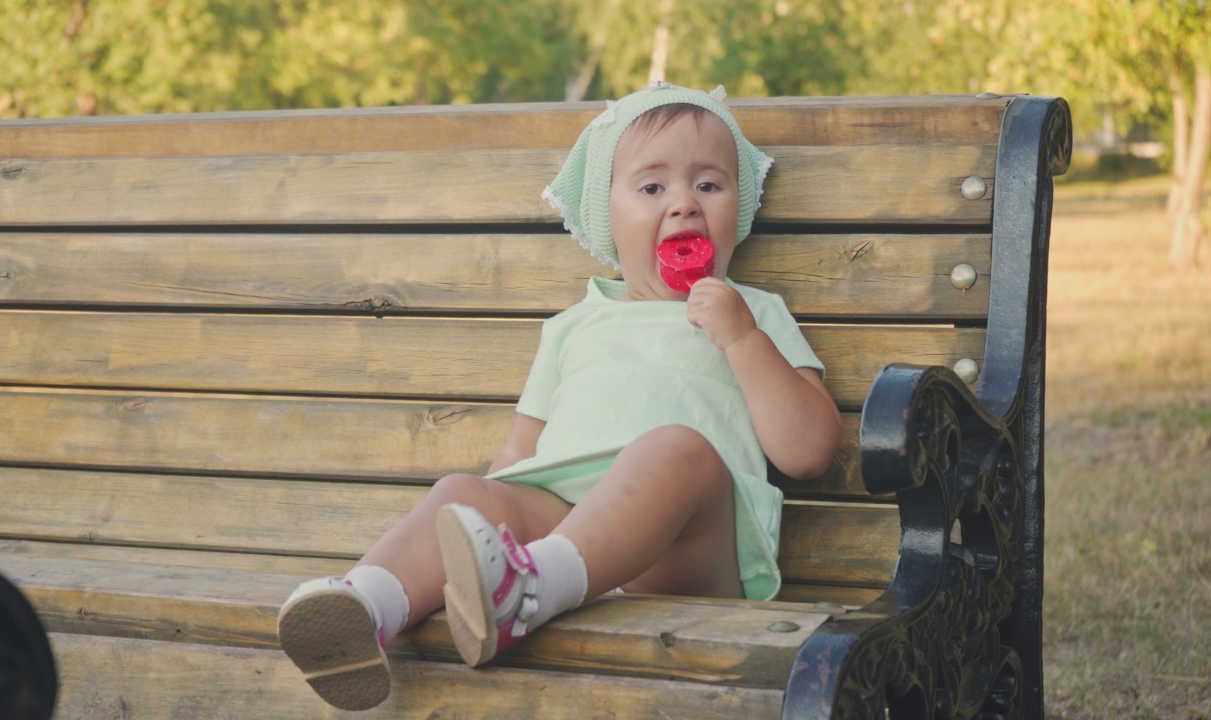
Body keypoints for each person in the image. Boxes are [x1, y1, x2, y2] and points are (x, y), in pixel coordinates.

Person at [275, 82, 844, 712]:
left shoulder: (755, 314)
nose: (683, 203)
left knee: (675, 450)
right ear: (608, 214)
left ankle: (530, 587)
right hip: (563, 523)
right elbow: (521, 454)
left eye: (708, 185)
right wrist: (484, 520)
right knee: (461, 493)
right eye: (652, 188)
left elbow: (810, 450)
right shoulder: (573, 326)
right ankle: (365, 606)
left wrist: (742, 338)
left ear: (738, 207)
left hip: (687, 548)